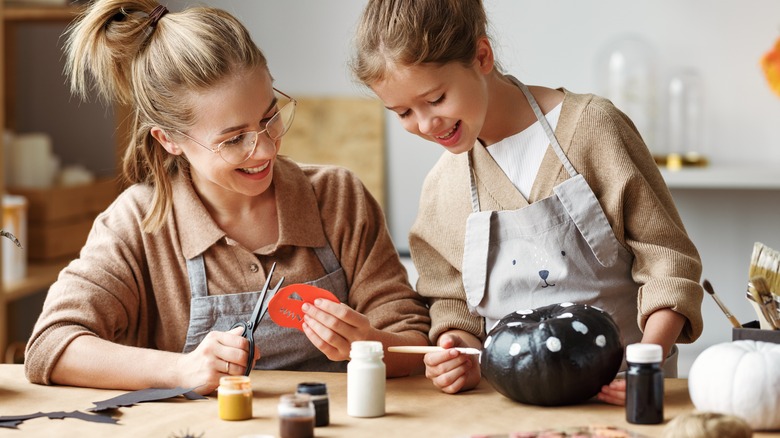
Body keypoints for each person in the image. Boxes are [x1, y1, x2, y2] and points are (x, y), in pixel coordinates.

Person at [24, 0, 430, 395]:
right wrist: (181, 370)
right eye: (234, 139)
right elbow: (50, 346)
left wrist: (370, 345)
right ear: (169, 140)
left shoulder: (338, 197)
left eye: (270, 117)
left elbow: (411, 337)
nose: (267, 149)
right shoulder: (137, 223)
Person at [351, 0, 703, 405]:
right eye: (403, 113)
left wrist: (647, 363)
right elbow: (451, 301)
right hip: (508, 404)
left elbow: (667, 260)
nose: (427, 125)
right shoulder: (441, 187)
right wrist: (457, 348)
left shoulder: (592, 128)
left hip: (625, 393)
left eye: (436, 99)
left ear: (482, 56)